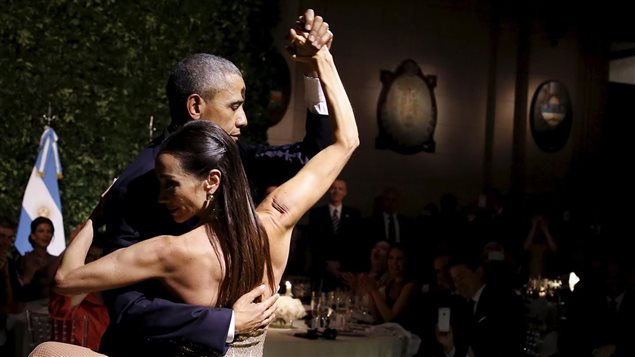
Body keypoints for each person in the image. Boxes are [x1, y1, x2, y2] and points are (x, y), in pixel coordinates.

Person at [53, 25, 357, 357]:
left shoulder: (231, 157)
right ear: (196, 107)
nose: (243, 119)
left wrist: (311, 68)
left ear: (214, 179)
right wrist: (223, 322)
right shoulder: (139, 185)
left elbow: (312, 155)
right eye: (234, 106)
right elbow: (126, 304)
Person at [16, 217, 60, 302]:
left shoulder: (55, 260)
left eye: (49, 231)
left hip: (51, 307)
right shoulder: (24, 260)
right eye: (41, 231)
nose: (46, 235)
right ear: (33, 236)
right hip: (27, 308)